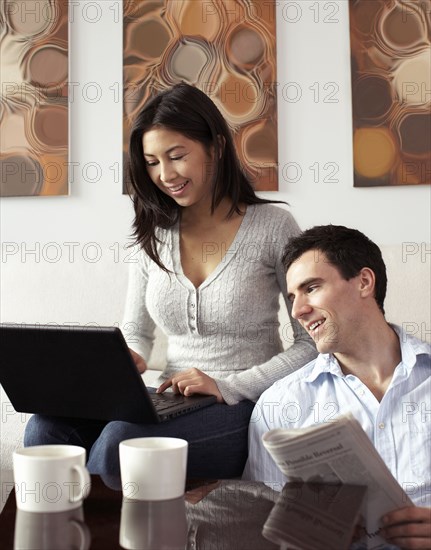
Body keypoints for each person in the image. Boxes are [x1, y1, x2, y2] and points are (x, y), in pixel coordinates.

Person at [24, 83, 316, 479]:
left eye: (177, 156)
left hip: (245, 402)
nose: (165, 175)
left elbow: (311, 343)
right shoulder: (154, 232)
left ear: (215, 147)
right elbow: (136, 332)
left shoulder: (273, 227)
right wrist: (126, 360)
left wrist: (227, 385)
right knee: (44, 427)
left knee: (120, 447)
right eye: (151, 162)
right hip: (168, 397)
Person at [244, 225, 431, 549]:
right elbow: (261, 528)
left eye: (311, 288)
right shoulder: (279, 403)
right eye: (292, 297)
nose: (297, 311)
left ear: (364, 282)